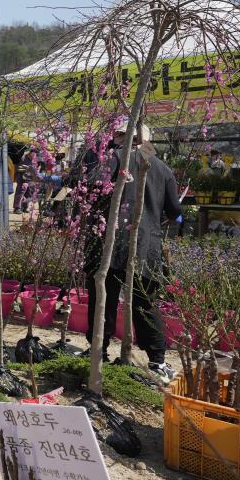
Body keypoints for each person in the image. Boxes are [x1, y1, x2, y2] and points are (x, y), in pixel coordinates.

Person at [83, 123, 182, 384]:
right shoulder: (162, 168)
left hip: (109, 242)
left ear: (124, 138)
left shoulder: (114, 159)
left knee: (103, 298)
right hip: (146, 245)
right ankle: (158, 361)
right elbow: (174, 211)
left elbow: (89, 189)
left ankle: (98, 351)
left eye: (116, 136)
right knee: (145, 303)